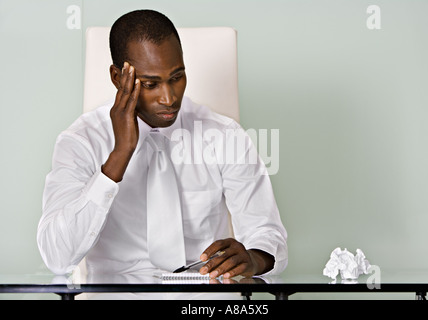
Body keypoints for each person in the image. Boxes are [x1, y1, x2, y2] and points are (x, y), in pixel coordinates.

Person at [37, 9, 287, 281]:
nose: (169, 98)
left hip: (202, 296)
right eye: (150, 84)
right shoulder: (81, 142)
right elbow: (57, 257)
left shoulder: (224, 135)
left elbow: (268, 234)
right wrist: (119, 157)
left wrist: (253, 258)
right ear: (118, 78)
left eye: (177, 77)